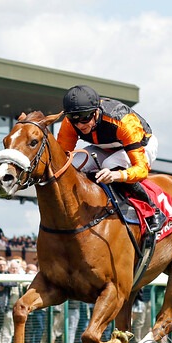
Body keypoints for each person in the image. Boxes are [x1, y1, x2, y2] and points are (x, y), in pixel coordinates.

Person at [55, 84, 165, 233]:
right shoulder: (69, 123)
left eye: (85, 118)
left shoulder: (124, 121)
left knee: (110, 164)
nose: (80, 125)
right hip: (105, 147)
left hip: (142, 145)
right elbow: (62, 158)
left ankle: (153, 210)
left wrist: (117, 175)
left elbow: (141, 170)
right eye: (74, 119)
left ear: (96, 112)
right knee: (73, 164)